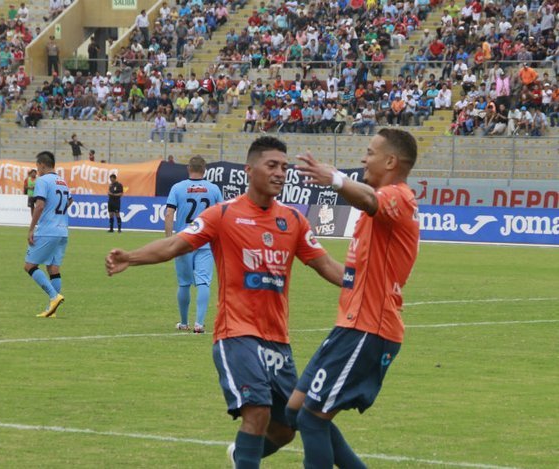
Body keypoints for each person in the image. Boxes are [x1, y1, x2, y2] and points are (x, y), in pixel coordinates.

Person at [106, 137, 345, 467]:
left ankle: (241, 456)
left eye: (284, 168)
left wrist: (369, 288)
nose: (280, 173)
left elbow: (328, 266)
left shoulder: (293, 220)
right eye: (272, 165)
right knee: (258, 412)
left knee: (286, 428)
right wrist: (130, 257)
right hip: (237, 334)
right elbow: (175, 244)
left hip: (278, 340)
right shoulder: (224, 214)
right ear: (250, 170)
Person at [285, 128, 420, 469]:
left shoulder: (399, 196)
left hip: (369, 328)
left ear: (391, 161)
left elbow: (369, 200)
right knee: (297, 409)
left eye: (370, 152)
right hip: (350, 325)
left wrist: (335, 178)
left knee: (312, 419)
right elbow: (355, 274)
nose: (364, 158)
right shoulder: (379, 212)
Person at [164, 156, 223, 333]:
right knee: (203, 282)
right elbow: (223, 214)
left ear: (188, 168)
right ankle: (199, 323)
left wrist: (169, 240)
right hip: (205, 241)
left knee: (184, 284)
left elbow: (169, 214)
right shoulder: (213, 189)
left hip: (184, 240)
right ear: (205, 169)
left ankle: (183, 323)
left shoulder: (177, 188)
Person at [24, 151, 72, 318]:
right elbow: (70, 201)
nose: (37, 170)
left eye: (37, 167)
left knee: (29, 266)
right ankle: (52, 311)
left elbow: (39, 206)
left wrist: (31, 229)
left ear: (42, 165)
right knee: (53, 269)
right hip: (63, 230)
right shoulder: (63, 182)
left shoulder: (42, 181)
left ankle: (54, 296)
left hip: (47, 230)